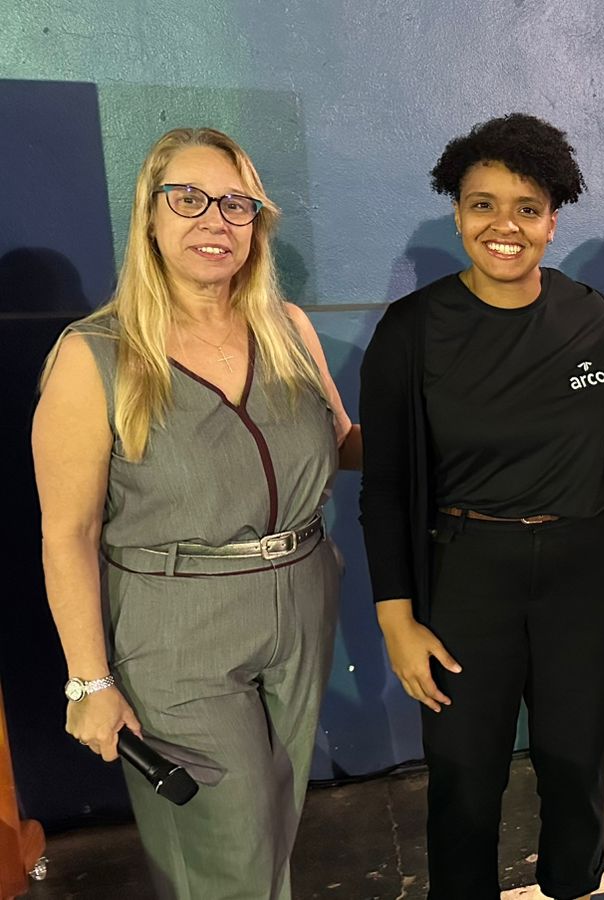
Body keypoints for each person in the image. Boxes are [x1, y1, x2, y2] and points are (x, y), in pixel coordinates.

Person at [33, 126, 358, 899]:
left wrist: (465, 425)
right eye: (189, 199)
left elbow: (345, 444)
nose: (216, 220)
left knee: (274, 824)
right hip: (175, 625)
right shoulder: (95, 355)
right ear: (150, 216)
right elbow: (68, 533)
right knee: (225, 850)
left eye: (236, 204)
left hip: (303, 598)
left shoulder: (288, 329)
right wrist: (88, 682)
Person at [358, 113, 604, 899]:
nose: (504, 225)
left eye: (527, 207)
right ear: (458, 214)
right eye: (482, 204)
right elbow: (383, 486)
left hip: (585, 572)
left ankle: (573, 886)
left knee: (577, 767)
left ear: (553, 221)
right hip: (467, 578)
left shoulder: (592, 317)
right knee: (464, 779)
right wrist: (396, 619)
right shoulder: (412, 331)